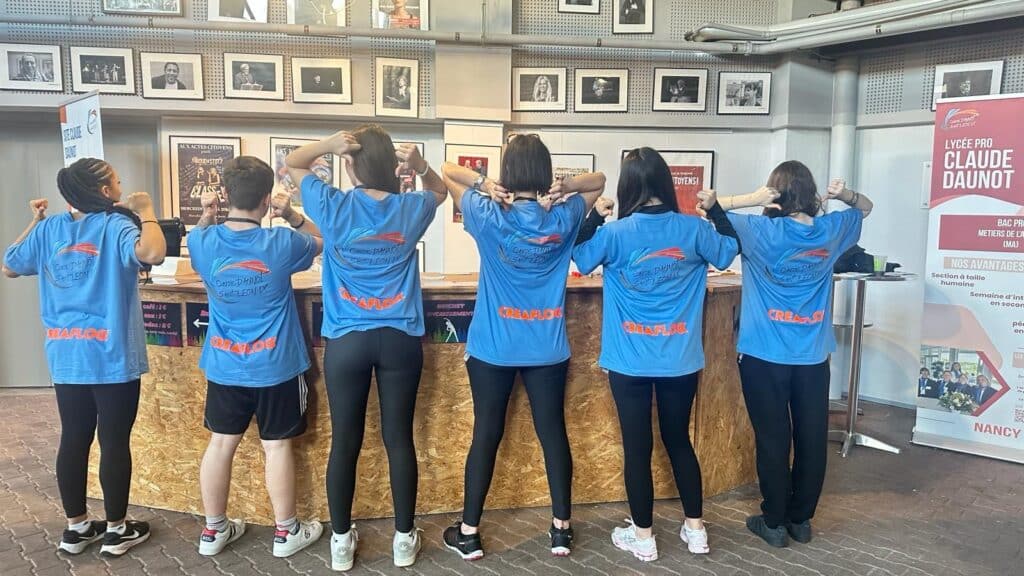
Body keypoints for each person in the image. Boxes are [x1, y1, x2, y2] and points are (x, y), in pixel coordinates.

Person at [285, 125, 447, 571]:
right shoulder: (409, 207)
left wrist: (328, 144)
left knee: (345, 441)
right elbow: (440, 192)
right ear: (391, 165)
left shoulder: (333, 204)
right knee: (399, 439)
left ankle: (341, 542)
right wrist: (421, 167)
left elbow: (293, 162)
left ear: (351, 163)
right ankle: (403, 540)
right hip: (399, 338)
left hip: (347, 339)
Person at [440, 133, 606, 561]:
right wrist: (566, 187)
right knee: (553, 433)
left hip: (493, 348)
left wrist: (484, 183)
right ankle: (561, 531)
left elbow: (446, 170)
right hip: (546, 348)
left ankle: (469, 533)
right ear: (546, 173)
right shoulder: (564, 216)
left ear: (508, 172)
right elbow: (599, 181)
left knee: (486, 434)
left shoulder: (487, 213)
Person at [572, 148, 739, 562]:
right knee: (679, 440)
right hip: (679, 360)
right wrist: (716, 210)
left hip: (629, 361)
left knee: (637, 447)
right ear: (665, 182)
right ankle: (696, 530)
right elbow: (728, 251)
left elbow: (580, 258)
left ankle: (644, 537)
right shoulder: (693, 229)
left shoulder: (616, 233)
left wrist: (594, 217)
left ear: (628, 186)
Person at [700, 163, 873, 548]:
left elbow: (708, 205)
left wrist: (752, 198)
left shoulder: (760, 230)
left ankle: (774, 522)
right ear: (811, 194)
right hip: (812, 357)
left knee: (772, 438)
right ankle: (801, 520)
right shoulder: (830, 230)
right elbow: (865, 208)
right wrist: (843, 195)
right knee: (812, 437)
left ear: (774, 193)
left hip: (763, 355)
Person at [2, 158, 167, 557]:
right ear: (106, 192)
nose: (122, 186)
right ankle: (116, 530)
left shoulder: (50, 229)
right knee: (113, 441)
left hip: (67, 354)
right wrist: (146, 209)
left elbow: (9, 264)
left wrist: (36, 221)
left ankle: (76, 528)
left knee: (74, 437)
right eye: (117, 181)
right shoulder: (116, 226)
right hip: (112, 356)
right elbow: (154, 253)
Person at [186, 157, 325, 558]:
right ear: (267, 200)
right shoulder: (281, 243)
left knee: (220, 444)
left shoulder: (203, 242)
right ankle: (286, 533)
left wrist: (207, 214)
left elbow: (199, 233)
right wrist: (292, 215)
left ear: (225, 194)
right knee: (276, 447)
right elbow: (322, 240)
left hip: (225, 363)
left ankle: (213, 531)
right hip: (276, 364)